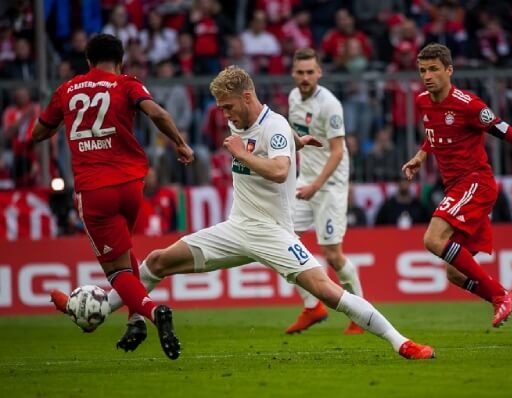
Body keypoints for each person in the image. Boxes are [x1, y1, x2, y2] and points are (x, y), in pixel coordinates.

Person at [106, 65, 435, 360]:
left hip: (273, 231)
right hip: (237, 228)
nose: (225, 115)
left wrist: (246, 152)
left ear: (247, 96)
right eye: (221, 108)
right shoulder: (255, 123)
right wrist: (297, 141)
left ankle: (401, 342)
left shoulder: (273, 126)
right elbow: (273, 139)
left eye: (228, 107)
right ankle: (102, 310)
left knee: (326, 290)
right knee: (158, 260)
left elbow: (279, 170)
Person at [33, 34, 195, 360]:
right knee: (125, 250)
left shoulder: (66, 90)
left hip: (95, 190)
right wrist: (180, 143)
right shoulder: (127, 83)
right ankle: (135, 320)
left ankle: (152, 310)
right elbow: (159, 114)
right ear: (120, 61)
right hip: (131, 186)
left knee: (117, 272)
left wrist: (57, 125)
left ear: (88, 61)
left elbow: (38, 133)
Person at [402, 43, 512, 346]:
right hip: (457, 187)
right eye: (423, 70)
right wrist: (421, 156)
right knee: (454, 273)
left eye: (434, 69)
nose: (427, 76)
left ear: (449, 70)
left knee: (433, 239)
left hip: (476, 182)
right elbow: (433, 133)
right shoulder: (423, 102)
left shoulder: (470, 105)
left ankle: (503, 296)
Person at [285, 48, 366, 335]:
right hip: (304, 180)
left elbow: (337, 151)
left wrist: (315, 185)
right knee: (279, 241)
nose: (305, 77)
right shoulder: (294, 98)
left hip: (328, 185)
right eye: (301, 72)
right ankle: (312, 306)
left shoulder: (330, 105)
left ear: (319, 73)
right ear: (293, 74)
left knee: (332, 254)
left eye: (310, 72)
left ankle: (360, 313)